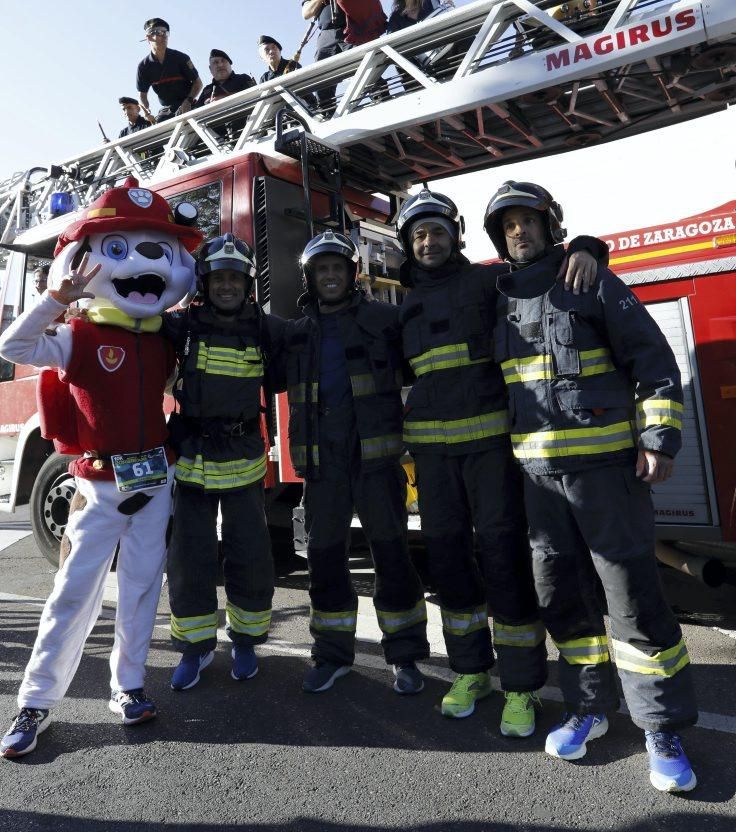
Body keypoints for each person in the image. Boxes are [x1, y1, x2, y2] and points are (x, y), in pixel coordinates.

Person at [484, 181, 698, 793]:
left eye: (529, 221)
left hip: (606, 480)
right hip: (538, 487)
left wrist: (658, 438)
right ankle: (591, 708)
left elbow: (655, 362)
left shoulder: (590, 281)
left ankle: (661, 726)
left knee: (632, 601)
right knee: (564, 603)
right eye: (508, 225)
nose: (518, 232)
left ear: (552, 225)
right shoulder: (497, 301)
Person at [0, 178, 199, 758]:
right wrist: (56, 299)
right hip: (96, 484)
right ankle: (35, 702)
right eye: (119, 249)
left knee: (140, 591)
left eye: (159, 251)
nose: (140, 264)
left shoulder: (165, 342)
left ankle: (128, 687)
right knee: (72, 595)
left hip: (154, 481)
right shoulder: (75, 336)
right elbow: (12, 346)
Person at [396, 188, 604, 738]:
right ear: (406, 245)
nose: (429, 242)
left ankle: (521, 686)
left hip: (490, 449)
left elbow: (543, 272)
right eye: (418, 235)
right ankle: (469, 673)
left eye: (437, 231)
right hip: (433, 458)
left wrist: (586, 245)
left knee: (503, 557)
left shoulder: (490, 281)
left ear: (456, 236)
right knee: (446, 561)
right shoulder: (402, 304)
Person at [286, 230, 429, 695]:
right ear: (310, 277)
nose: (330, 276)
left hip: (376, 462)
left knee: (391, 556)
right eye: (321, 269)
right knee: (325, 560)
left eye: (337, 268)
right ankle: (331, 656)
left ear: (352, 274)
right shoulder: (297, 332)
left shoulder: (386, 320)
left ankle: (405, 657)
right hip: (322, 465)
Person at [164, 234, 287, 690]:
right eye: (220, 278)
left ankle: (246, 642)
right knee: (188, 558)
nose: (228, 286)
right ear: (205, 282)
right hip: (193, 460)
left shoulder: (265, 328)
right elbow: (135, 326)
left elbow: (311, 341)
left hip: (243, 462)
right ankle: (194, 650)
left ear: (247, 283)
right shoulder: (182, 327)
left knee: (251, 556)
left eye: (236, 277)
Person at [301, 0, 384, 114]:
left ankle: (383, 103)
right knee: (323, 83)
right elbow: (305, 12)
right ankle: (327, 116)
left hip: (354, 29)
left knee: (368, 71)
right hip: (326, 36)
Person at [137, 18, 202, 121]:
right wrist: (147, 111)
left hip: (189, 105)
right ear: (149, 37)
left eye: (166, 33)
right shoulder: (144, 67)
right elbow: (142, 95)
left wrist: (188, 101)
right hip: (167, 111)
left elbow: (198, 83)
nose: (164, 36)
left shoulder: (181, 58)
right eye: (159, 32)